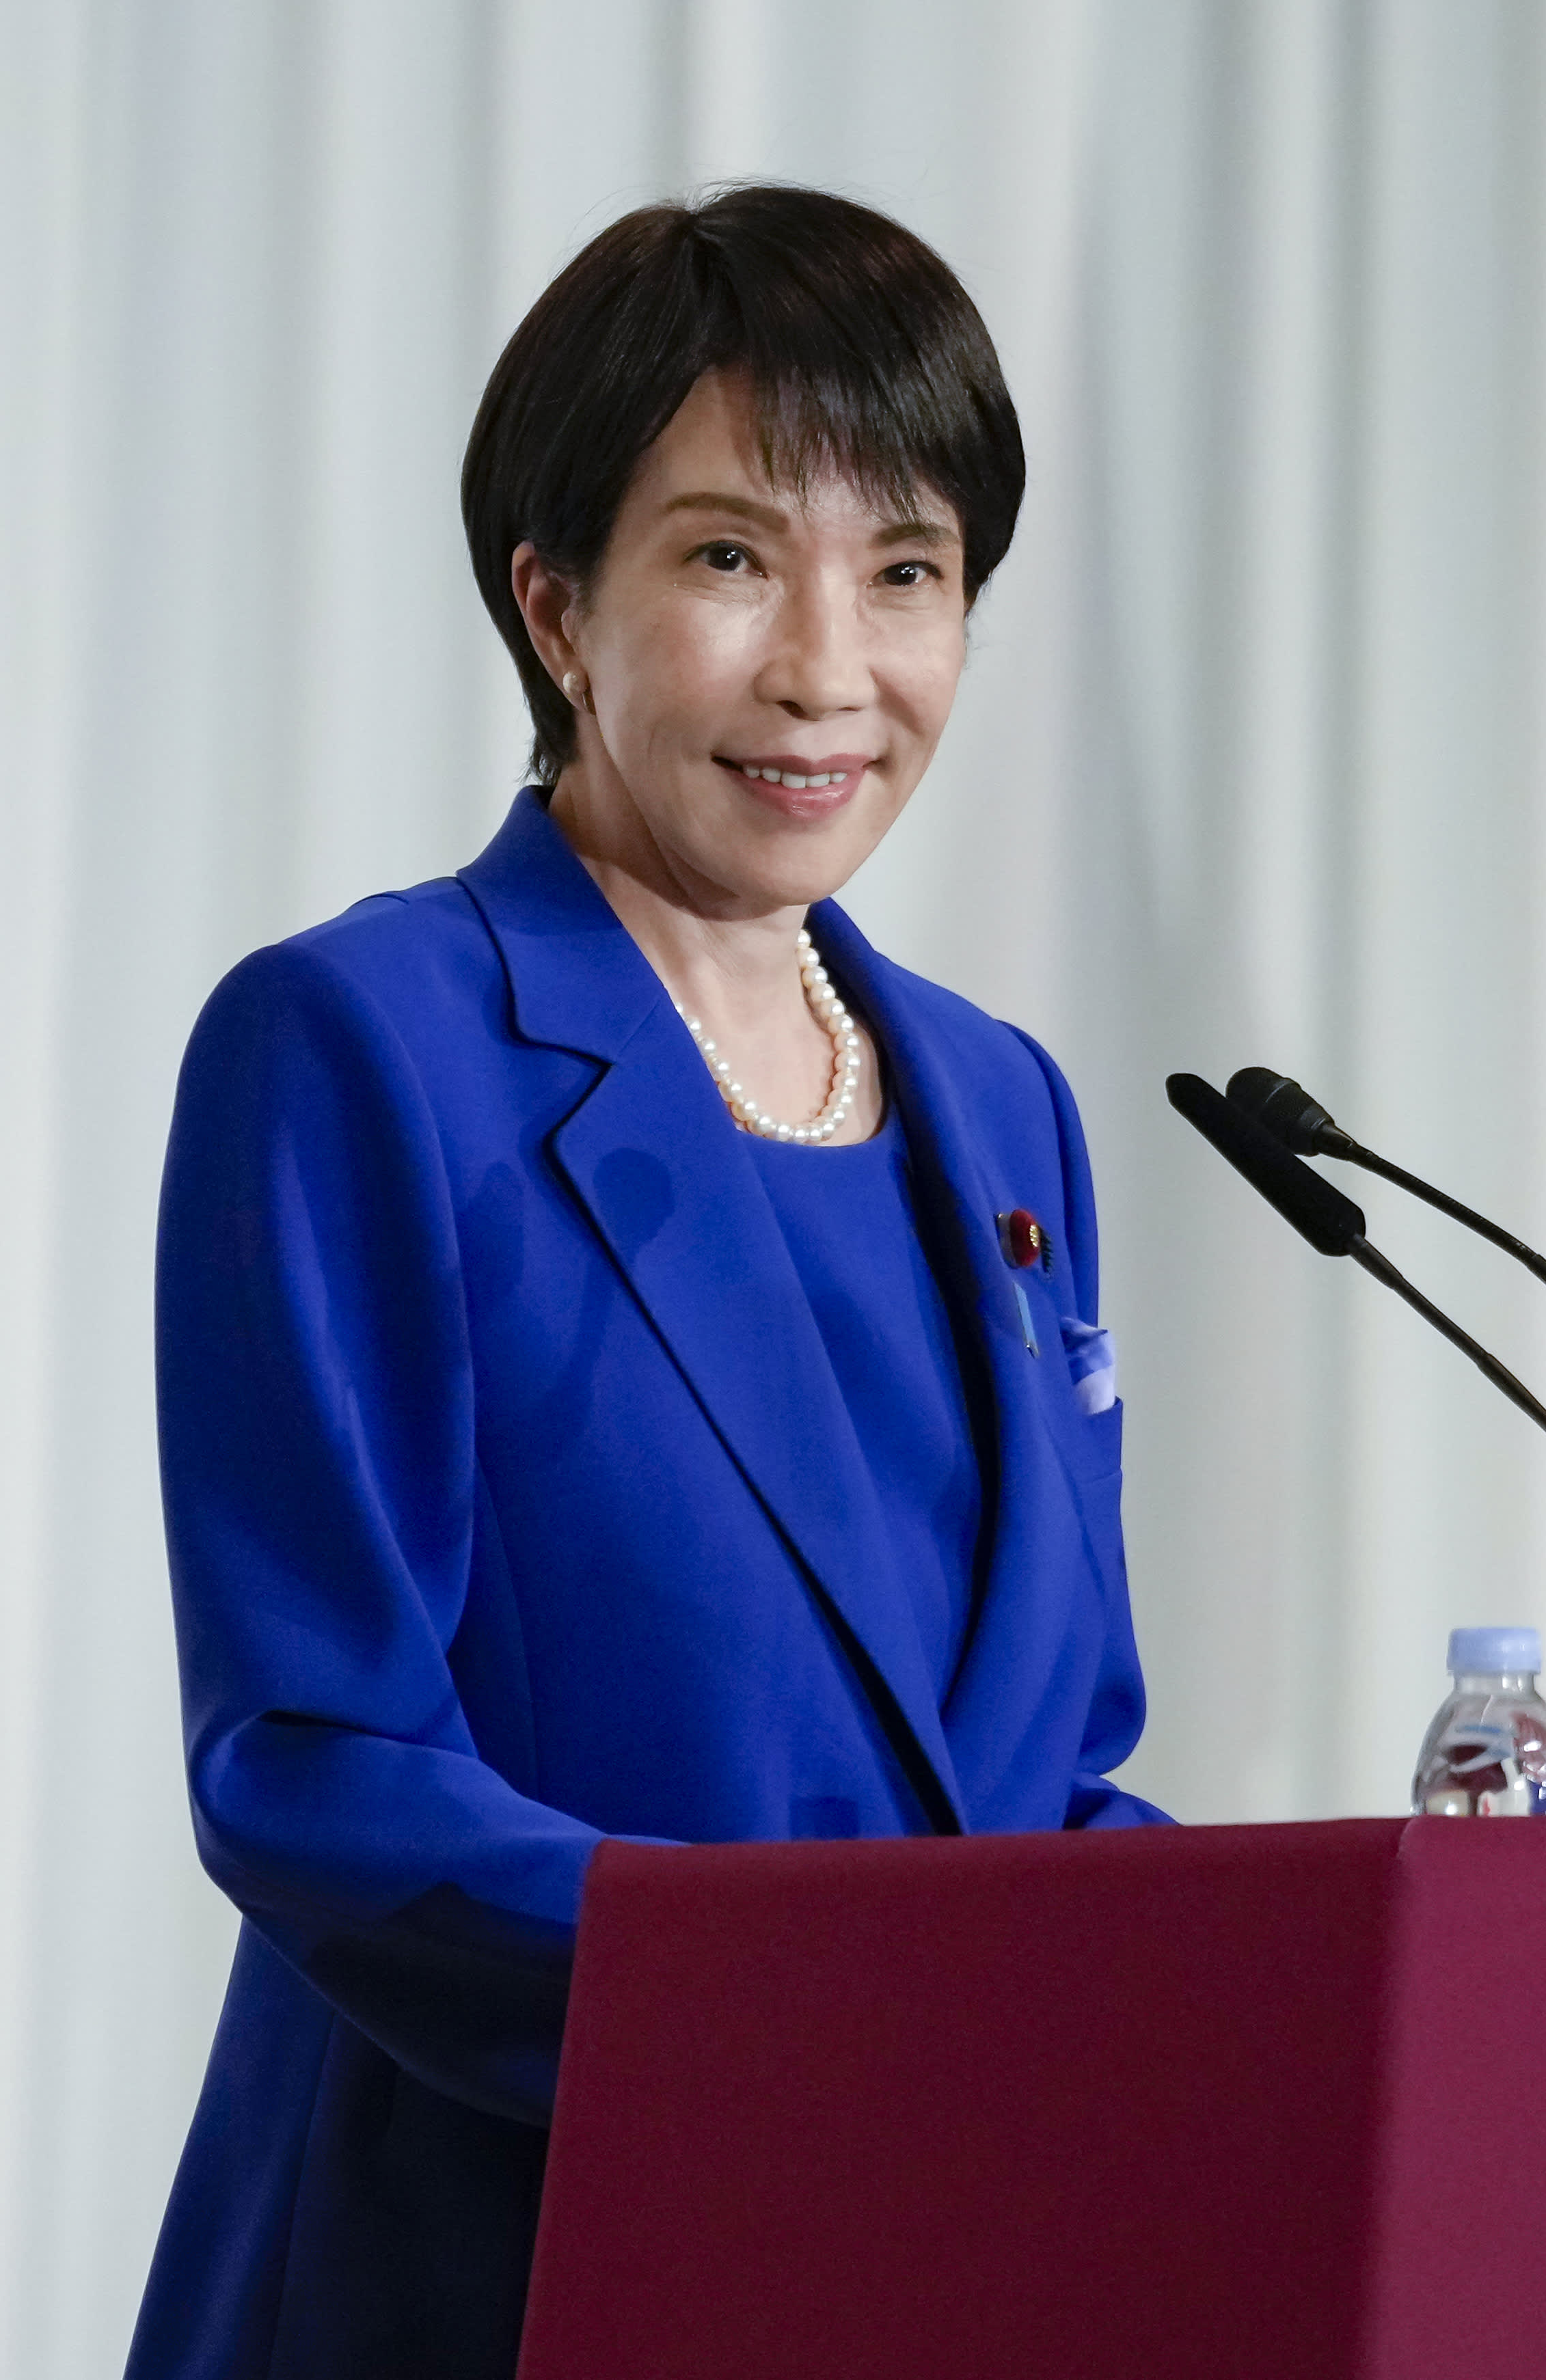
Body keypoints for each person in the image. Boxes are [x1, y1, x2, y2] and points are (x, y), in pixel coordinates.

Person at [124, 185, 1167, 2380]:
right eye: (729, 558)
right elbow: (314, 1764)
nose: (828, 669)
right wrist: (811, 2020)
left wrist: (1272, 1967)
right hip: (502, 2276)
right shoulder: (364, 1045)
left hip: (931, 2283)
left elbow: (1044, 1771)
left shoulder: (1007, 1110)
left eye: (909, 572)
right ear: (555, 603)